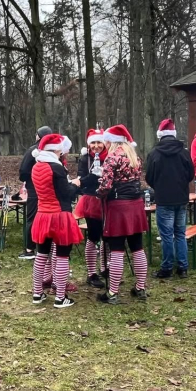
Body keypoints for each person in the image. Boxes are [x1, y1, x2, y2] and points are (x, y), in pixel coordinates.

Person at [98, 125, 149, 304]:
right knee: (137, 247)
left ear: (111, 141)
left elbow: (105, 186)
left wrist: (99, 193)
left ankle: (112, 292)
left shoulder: (112, 157)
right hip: (136, 204)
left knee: (117, 249)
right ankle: (140, 287)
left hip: (118, 206)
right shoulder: (134, 156)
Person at [30, 134, 82, 308]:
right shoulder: (57, 168)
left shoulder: (36, 166)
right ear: (56, 150)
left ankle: (37, 293)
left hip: (42, 215)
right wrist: (75, 184)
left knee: (41, 255)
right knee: (62, 256)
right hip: (59, 215)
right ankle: (60, 297)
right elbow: (66, 193)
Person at [146, 119, 194, 279]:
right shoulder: (184, 152)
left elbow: (149, 176)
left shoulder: (154, 153)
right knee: (180, 233)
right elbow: (191, 174)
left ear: (160, 135)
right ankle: (182, 267)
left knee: (166, 235)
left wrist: (159, 186)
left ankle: (167, 268)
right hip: (181, 198)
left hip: (164, 199)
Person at [74, 129, 107, 287]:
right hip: (91, 200)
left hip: (108, 200)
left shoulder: (110, 156)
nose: (96, 146)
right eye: (93, 143)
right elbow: (81, 180)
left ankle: (105, 268)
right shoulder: (85, 158)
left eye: (99, 142)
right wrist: (93, 176)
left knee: (107, 235)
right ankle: (91, 273)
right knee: (93, 236)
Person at [18, 126, 53, 259]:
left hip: (35, 187)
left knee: (32, 218)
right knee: (46, 216)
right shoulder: (53, 149)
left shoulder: (34, 150)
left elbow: (23, 171)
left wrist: (28, 179)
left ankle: (29, 249)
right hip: (50, 189)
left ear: (39, 136)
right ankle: (47, 247)